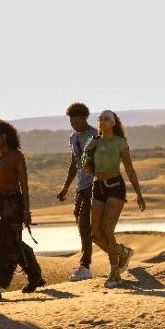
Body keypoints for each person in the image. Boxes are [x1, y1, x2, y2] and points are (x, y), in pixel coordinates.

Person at [0, 119, 44, 302]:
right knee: (14, 241)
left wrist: (26, 211)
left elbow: (24, 185)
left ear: (5, 136)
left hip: (13, 203)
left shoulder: (17, 156)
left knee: (2, 242)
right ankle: (34, 275)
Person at [83, 110, 146, 288]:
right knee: (95, 233)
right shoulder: (93, 141)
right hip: (98, 186)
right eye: (100, 119)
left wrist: (139, 194)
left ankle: (114, 272)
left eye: (106, 119)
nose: (102, 122)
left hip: (115, 186)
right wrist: (88, 150)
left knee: (107, 228)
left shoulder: (120, 142)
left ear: (113, 123)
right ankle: (121, 252)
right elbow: (86, 166)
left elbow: (130, 168)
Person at [56, 101, 98, 281]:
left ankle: (85, 266)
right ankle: (119, 252)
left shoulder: (96, 135)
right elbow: (74, 163)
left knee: (84, 225)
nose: (74, 124)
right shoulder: (73, 138)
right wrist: (65, 188)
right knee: (84, 227)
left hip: (95, 186)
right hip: (80, 187)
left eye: (77, 121)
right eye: (71, 122)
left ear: (84, 118)